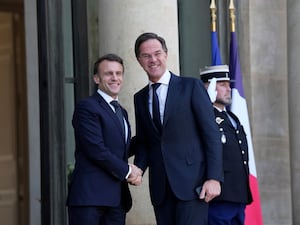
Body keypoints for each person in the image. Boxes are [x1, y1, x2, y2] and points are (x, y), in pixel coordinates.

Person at [132, 32, 223, 225]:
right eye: (146, 56)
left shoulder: (191, 87)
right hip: (161, 189)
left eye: (157, 53)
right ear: (139, 60)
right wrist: (138, 167)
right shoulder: (139, 98)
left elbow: (211, 134)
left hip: (193, 186)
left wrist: (214, 178)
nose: (153, 59)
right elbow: (145, 141)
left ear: (166, 54)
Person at [66, 53, 142, 225]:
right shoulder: (87, 107)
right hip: (90, 199)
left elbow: (120, 150)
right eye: (108, 74)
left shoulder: (121, 111)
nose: (115, 78)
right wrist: (128, 171)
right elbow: (96, 150)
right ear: (96, 78)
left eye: (118, 73)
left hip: (116, 200)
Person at [200, 64, 253, 225]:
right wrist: (205, 103)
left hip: (238, 195)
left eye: (229, 84)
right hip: (220, 196)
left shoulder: (232, 117)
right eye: (222, 85)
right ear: (209, 87)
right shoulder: (205, 115)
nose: (228, 89)